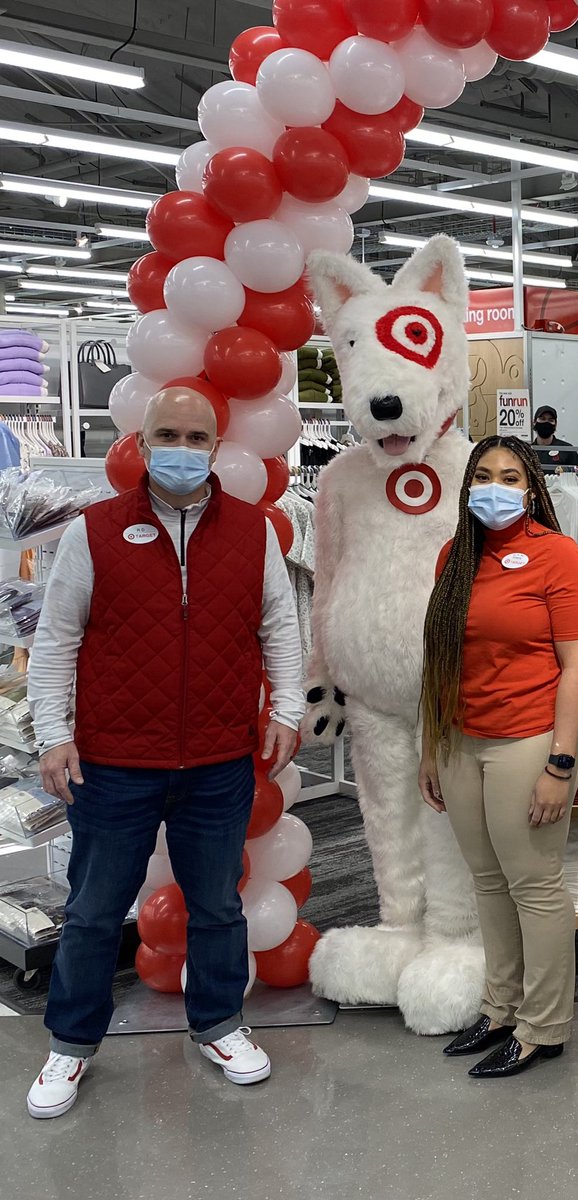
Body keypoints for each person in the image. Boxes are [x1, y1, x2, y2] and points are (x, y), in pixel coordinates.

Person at [25, 386, 305, 1119]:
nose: (182, 448)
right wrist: (52, 733)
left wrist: (284, 710)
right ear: (143, 444)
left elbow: (280, 622)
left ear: (216, 446)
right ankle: (70, 1045)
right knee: (91, 911)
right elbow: (55, 638)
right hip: (115, 760)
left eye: (197, 436)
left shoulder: (252, 531)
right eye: (167, 434)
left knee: (216, 904)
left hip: (217, 756)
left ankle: (218, 1025)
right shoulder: (96, 530)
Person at [419, 435, 578, 1079]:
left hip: (529, 740)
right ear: (468, 486)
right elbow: (442, 657)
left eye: (512, 477)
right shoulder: (454, 557)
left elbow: (577, 668)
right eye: (485, 475)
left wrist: (560, 763)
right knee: (488, 880)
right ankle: (500, 1008)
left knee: (534, 885)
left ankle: (544, 1025)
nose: (497, 487)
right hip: (462, 739)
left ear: (532, 489)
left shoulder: (559, 557)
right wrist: (431, 744)